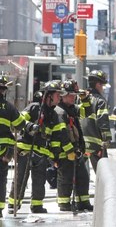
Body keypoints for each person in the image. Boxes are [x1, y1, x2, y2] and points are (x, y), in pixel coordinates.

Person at [8, 80, 73, 214]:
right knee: (20, 178)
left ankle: (37, 205)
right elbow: (19, 121)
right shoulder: (34, 108)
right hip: (25, 150)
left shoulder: (54, 115)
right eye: (56, 95)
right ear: (48, 95)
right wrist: (31, 127)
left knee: (39, 181)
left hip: (41, 153)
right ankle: (13, 204)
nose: (59, 97)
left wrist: (55, 156)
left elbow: (56, 138)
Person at [56, 79, 93, 211]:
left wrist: (85, 99)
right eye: (71, 95)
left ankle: (83, 203)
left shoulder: (72, 109)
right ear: (63, 95)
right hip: (64, 151)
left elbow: (88, 112)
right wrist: (68, 151)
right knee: (66, 178)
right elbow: (62, 134)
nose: (73, 98)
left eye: (75, 95)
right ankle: (64, 203)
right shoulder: (59, 111)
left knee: (82, 177)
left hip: (75, 150)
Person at [0, 74, 26, 217]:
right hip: (3, 152)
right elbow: (20, 124)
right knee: (1, 181)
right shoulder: (8, 107)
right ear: (3, 90)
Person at [81, 70, 111, 172]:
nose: (102, 88)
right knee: (102, 172)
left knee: (78, 173)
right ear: (98, 84)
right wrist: (106, 139)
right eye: (102, 85)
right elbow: (103, 121)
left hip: (80, 143)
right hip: (95, 144)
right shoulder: (100, 101)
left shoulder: (80, 98)